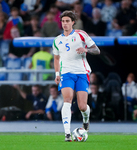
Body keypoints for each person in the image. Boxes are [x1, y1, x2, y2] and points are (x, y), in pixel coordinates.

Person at [53, 10, 100, 141]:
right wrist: (57, 74)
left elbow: (97, 50)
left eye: (67, 21)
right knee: (67, 100)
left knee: (82, 106)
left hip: (82, 72)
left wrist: (87, 49)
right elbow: (56, 59)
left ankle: (86, 120)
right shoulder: (57, 40)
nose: (65, 24)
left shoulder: (81, 34)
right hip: (66, 73)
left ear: (73, 22)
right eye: (63, 21)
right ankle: (67, 134)